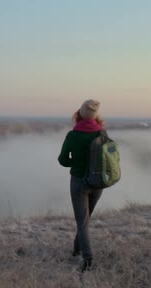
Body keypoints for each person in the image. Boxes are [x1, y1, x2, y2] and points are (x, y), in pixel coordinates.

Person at [58, 99, 105, 272]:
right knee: (85, 219)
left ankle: (87, 259)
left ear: (80, 114)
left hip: (79, 182)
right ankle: (76, 248)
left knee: (82, 222)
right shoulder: (102, 134)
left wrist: (75, 162)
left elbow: (63, 160)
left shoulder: (73, 135)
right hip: (98, 182)